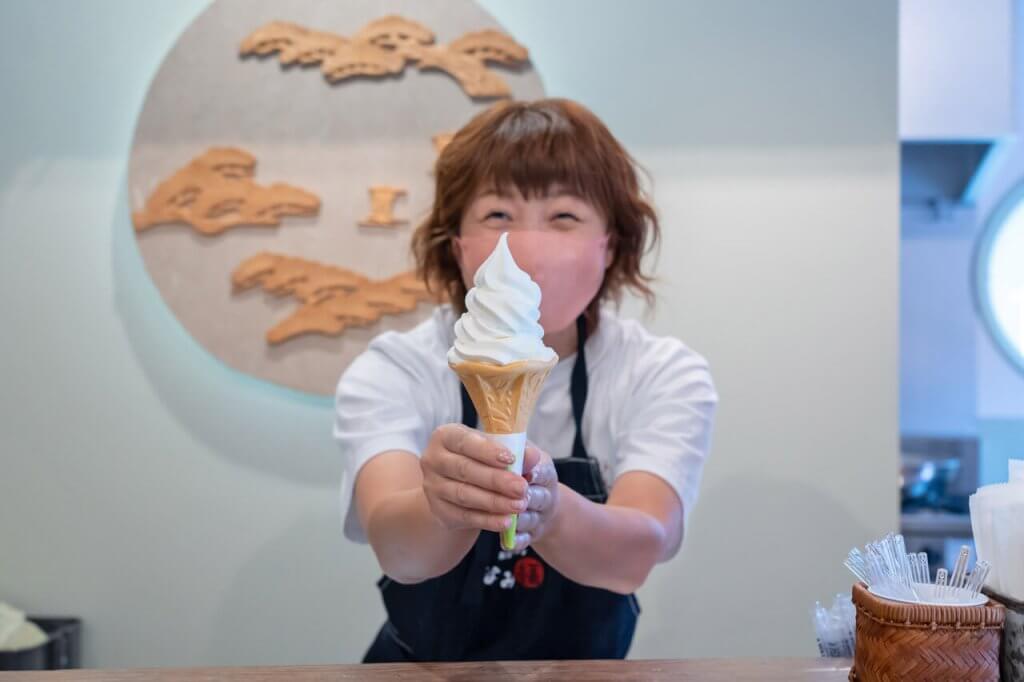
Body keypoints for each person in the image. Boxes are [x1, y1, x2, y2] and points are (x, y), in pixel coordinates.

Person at [334, 98, 718, 662]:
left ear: (610, 244)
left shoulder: (660, 374)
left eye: (563, 216)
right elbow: (397, 547)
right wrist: (442, 505)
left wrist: (553, 510)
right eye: (497, 216)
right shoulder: (395, 369)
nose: (527, 247)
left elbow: (640, 547)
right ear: (457, 243)